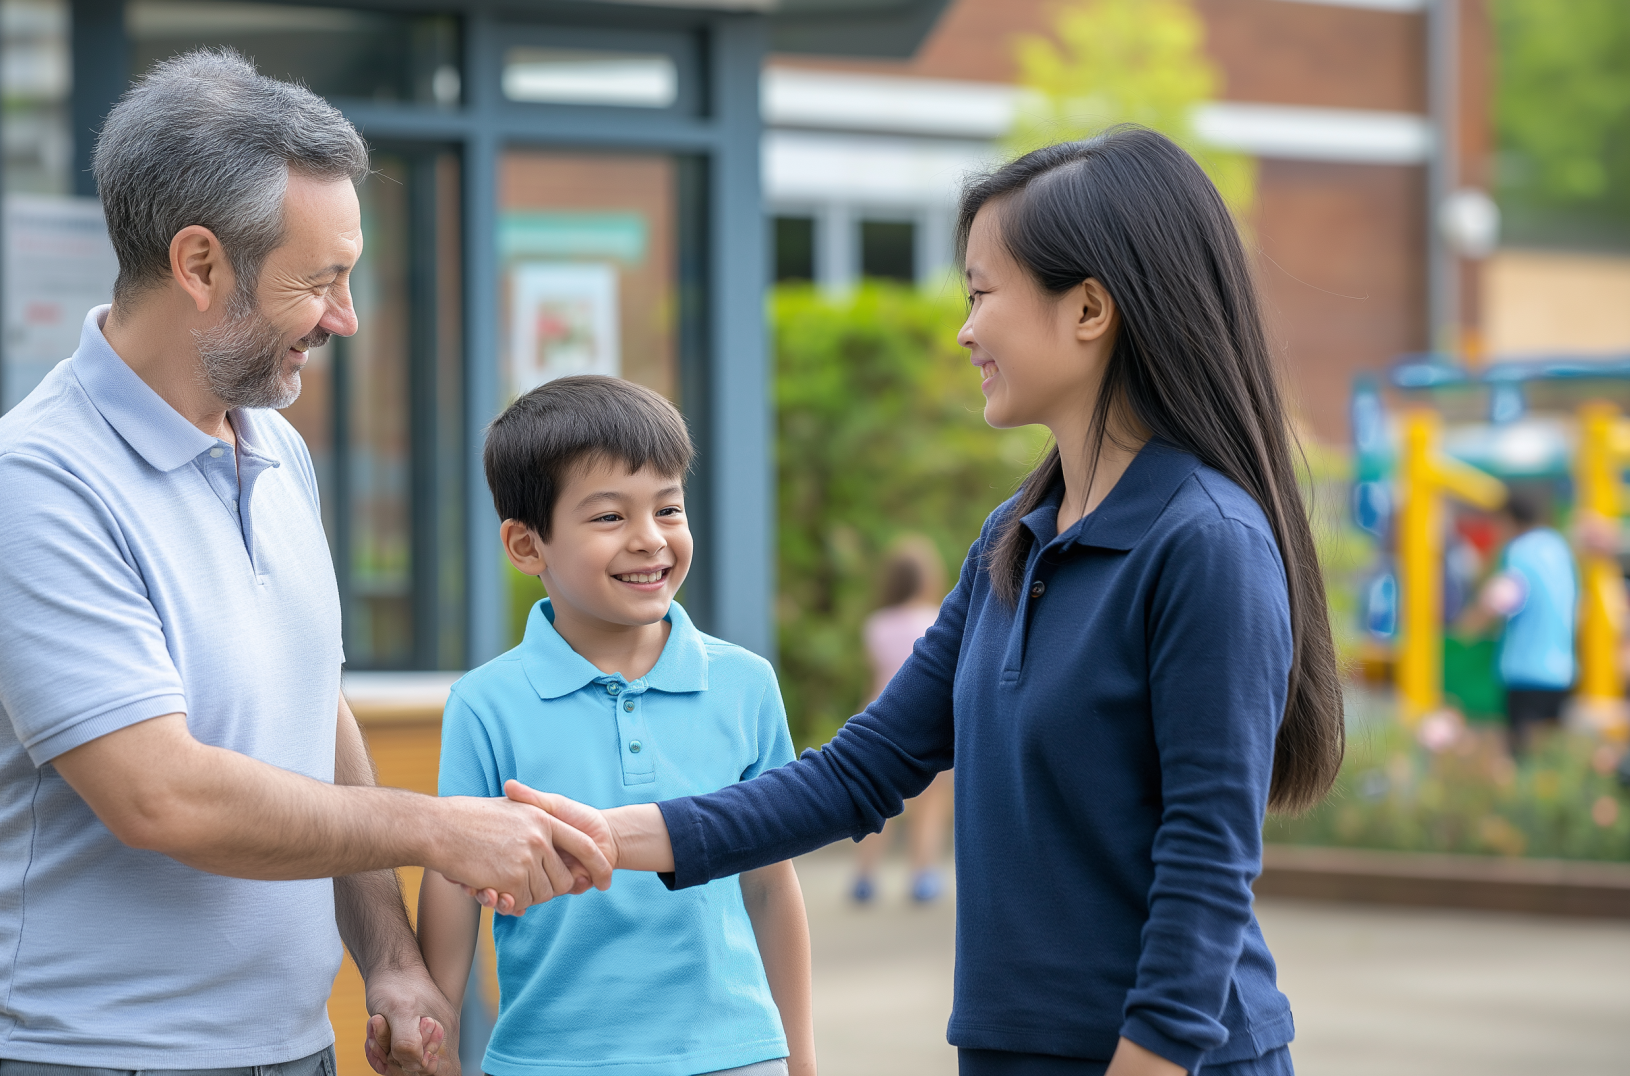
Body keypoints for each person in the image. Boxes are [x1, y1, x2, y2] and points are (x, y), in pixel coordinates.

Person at [499, 127, 1348, 1076]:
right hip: (1009, 1049)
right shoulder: (1012, 540)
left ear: (1090, 309)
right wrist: (604, 837)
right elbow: (858, 774)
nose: (966, 330)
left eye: (982, 293)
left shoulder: (1206, 542)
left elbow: (1207, 861)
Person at [0, 50, 608, 1076]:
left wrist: (388, 957)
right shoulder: (32, 486)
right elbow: (163, 796)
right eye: (321, 281)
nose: (347, 317)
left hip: (292, 1049)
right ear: (200, 265)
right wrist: (436, 829)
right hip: (84, 1054)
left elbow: (311, 712)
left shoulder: (277, 450)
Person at [415, 375, 816, 1076]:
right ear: (525, 545)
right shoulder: (485, 704)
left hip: (736, 1056)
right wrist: (437, 1038)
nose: (650, 540)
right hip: (549, 1060)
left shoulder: (746, 685)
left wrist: (800, 1058)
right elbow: (452, 881)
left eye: (668, 508)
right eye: (609, 518)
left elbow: (770, 883)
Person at [849, 534, 953, 904]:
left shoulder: (877, 625)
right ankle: (922, 875)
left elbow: (875, 677)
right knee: (930, 806)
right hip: (927, 724)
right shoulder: (936, 620)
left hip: (877, 718)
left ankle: (864, 877)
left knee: (877, 804)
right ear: (928, 579)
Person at [1457, 488, 1577, 755]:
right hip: (1562, 670)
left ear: (1508, 519)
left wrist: (1469, 626)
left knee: (1523, 754)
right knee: (1550, 755)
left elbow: (1503, 597)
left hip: (1525, 670)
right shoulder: (1559, 547)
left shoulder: (1520, 550)